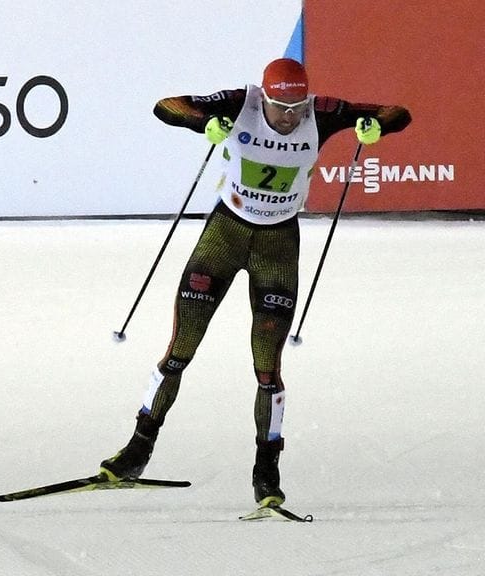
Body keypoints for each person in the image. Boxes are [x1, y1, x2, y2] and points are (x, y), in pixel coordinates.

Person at [99, 58, 411, 507]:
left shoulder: (320, 112)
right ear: (263, 97)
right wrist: (206, 119)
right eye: (279, 106)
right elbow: (167, 107)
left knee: (267, 368)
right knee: (179, 350)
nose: (289, 116)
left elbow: (396, 113)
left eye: (296, 107)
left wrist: (372, 126)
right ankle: (137, 450)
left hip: (278, 246)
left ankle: (266, 472)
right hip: (224, 235)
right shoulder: (239, 102)